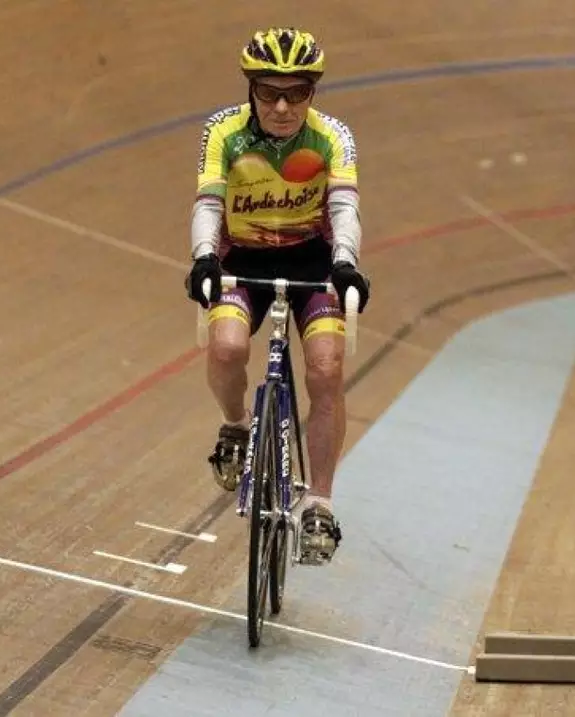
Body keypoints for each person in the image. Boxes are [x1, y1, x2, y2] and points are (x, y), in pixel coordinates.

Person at [184, 27, 370, 564]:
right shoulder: (224, 131)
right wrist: (203, 256)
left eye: (297, 93)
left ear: (313, 92)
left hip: (312, 260)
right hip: (242, 260)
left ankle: (320, 503)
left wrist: (346, 264)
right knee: (226, 348)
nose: (283, 107)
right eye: (269, 93)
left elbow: (344, 207)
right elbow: (209, 202)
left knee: (326, 370)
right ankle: (237, 425)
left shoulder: (332, 135)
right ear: (251, 89)